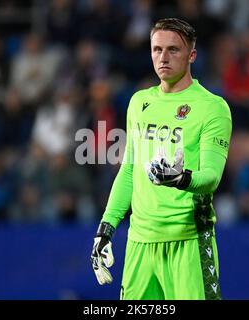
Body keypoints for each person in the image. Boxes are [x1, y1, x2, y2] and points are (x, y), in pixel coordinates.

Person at [90, 18, 232, 300]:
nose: (163, 58)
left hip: (189, 241)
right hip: (140, 245)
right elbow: (129, 172)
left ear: (192, 55)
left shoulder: (213, 108)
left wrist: (181, 178)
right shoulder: (139, 102)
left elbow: (212, 178)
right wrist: (105, 229)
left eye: (173, 50)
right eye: (156, 50)